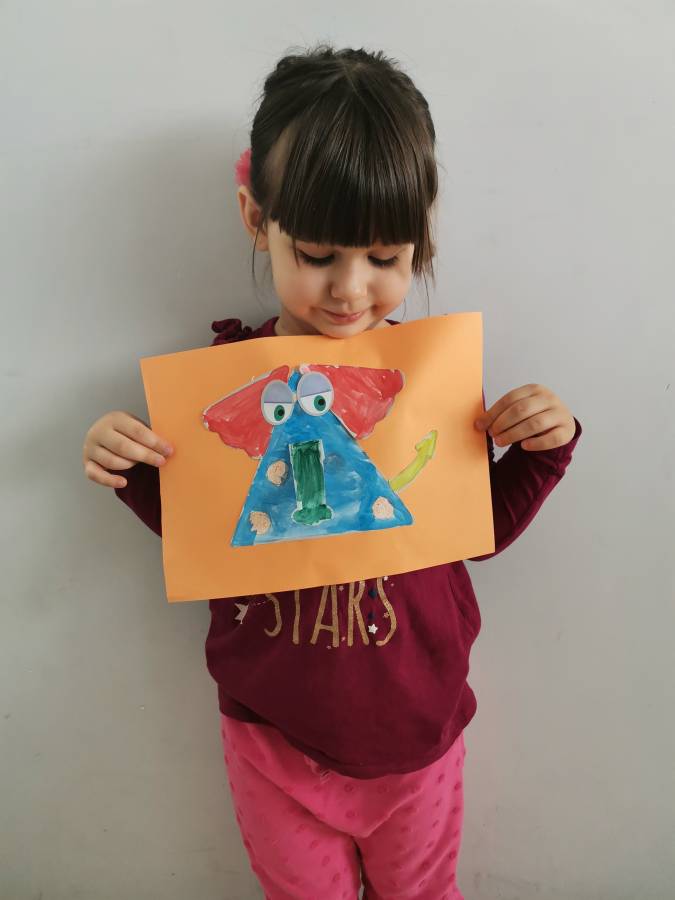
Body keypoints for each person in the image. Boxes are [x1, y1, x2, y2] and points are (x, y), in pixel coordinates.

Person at [82, 44, 582, 900]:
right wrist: (131, 468)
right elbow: (217, 540)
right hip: (271, 739)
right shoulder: (225, 396)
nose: (350, 290)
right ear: (255, 218)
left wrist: (543, 450)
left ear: (421, 236)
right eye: (317, 254)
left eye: (385, 259)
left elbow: (473, 532)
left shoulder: (427, 388)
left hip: (417, 740)